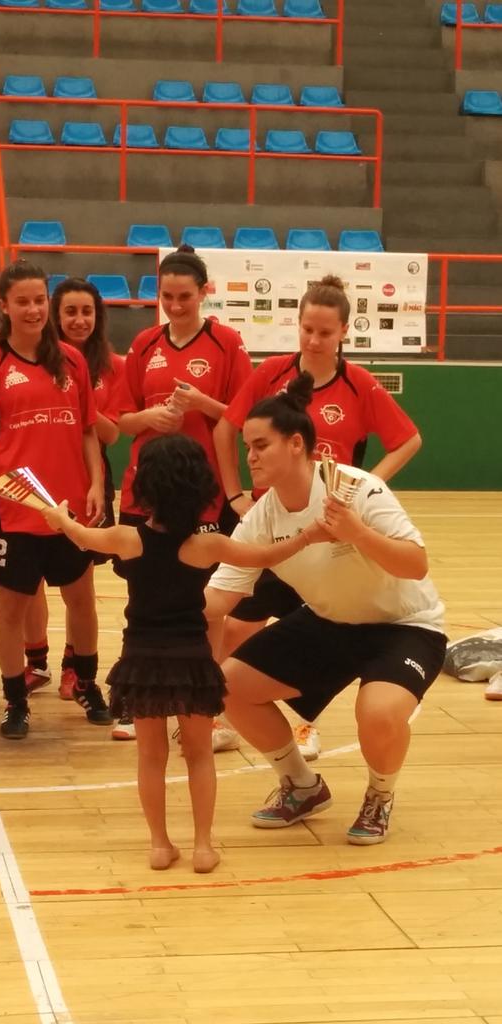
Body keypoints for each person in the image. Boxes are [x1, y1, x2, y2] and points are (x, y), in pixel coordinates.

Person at [42, 434, 326, 873]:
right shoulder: (206, 546)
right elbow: (267, 553)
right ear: (199, 489)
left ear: (146, 488)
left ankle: (159, 844)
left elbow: (81, 536)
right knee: (197, 754)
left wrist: (58, 517)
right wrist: (310, 534)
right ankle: (203, 847)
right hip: (193, 660)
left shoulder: (126, 538)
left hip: (141, 660)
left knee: (150, 756)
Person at [205, 374, 446, 845]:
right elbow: (218, 601)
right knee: (229, 685)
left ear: (296, 444)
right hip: (330, 622)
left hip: (404, 625)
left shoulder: (357, 488)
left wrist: (358, 534)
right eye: (247, 447)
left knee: (377, 714)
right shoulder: (260, 517)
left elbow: (416, 565)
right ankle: (302, 785)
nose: (249, 457)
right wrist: (164, 584)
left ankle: (380, 795)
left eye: (260, 446)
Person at [212, 273, 423, 761]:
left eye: (325, 332)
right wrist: (235, 494)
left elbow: (409, 439)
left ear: (344, 332)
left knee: (316, 630)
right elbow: (228, 428)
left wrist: (370, 483)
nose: (313, 339)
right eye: (307, 328)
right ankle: (220, 712)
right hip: (274, 526)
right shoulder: (271, 375)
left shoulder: (358, 383)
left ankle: (307, 723)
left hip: (329, 535)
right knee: (241, 623)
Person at [112, 244, 253, 742]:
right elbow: (118, 419)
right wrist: (149, 419)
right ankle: (141, 696)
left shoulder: (227, 344)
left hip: (202, 495)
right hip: (146, 493)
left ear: (204, 293)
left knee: (205, 604)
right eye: (167, 296)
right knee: (142, 598)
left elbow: (246, 415)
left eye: (185, 297)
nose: (175, 305)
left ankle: (205, 702)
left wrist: (202, 403)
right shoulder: (145, 344)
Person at [0, 259, 109, 739]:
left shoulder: (72, 360)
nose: (32, 310)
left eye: (37, 300)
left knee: (81, 600)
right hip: (17, 511)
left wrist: (95, 483)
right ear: (3, 306)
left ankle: (87, 684)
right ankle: (16, 700)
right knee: (12, 609)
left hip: (70, 510)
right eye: (21, 301)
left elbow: (89, 430)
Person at [22, 277, 124, 701]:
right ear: (54, 315)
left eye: (87, 312)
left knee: (77, 586)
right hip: (37, 478)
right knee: (29, 584)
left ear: (97, 317)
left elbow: (112, 434)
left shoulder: (110, 366)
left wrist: (84, 402)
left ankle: (72, 667)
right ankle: (36, 661)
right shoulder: (33, 359)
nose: (79, 320)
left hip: (88, 484)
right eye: (70, 312)